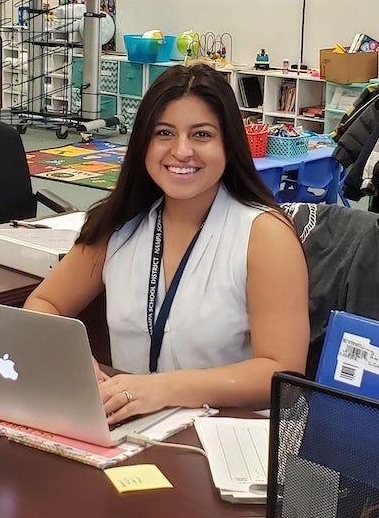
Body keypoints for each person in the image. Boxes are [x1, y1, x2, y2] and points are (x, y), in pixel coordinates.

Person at [25, 61, 308, 424]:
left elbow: (282, 373)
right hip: (131, 425)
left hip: (226, 438)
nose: (181, 151)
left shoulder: (264, 235)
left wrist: (163, 388)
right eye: (164, 133)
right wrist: (70, 355)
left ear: (229, 145)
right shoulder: (119, 224)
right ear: (144, 142)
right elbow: (44, 302)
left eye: (202, 135)